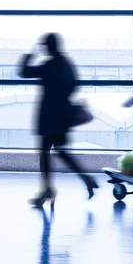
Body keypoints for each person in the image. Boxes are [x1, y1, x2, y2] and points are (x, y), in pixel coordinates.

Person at [20, 33, 98, 208]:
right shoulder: (67, 63)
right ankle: (86, 179)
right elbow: (75, 85)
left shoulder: (49, 65)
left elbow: (24, 72)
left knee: (45, 153)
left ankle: (48, 190)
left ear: (48, 47)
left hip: (48, 115)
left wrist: (30, 56)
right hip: (63, 115)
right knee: (61, 151)